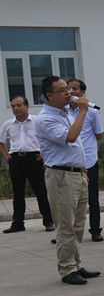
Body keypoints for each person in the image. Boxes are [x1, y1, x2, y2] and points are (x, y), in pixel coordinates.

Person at [35, 75, 101, 285]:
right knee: (66, 226)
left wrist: (83, 170)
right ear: (50, 95)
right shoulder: (46, 119)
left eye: (69, 88)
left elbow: (76, 146)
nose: (69, 93)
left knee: (78, 224)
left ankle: (76, 264)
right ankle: (66, 269)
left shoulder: (65, 113)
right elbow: (70, 137)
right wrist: (82, 111)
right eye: (63, 90)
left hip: (77, 173)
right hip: (61, 176)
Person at [0, 96, 54, 233]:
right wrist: (6, 155)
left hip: (33, 158)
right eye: (13, 106)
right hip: (16, 159)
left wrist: (44, 154)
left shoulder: (37, 121)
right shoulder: (8, 124)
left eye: (19, 105)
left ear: (27, 107)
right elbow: (1, 141)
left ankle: (48, 220)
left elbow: (49, 138)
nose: (15, 108)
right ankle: (18, 223)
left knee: (40, 191)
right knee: (17, 192)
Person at [67, 79, 104, 241]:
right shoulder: (63, 111)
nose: (71, 92)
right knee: (69, 200)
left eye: (75, 89)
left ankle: (95, 230)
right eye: (69, 88)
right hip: (69, 161)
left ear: (82, 92)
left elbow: (98, 135)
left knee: (92, 198)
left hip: (89, 160)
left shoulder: (92, 112)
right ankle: (68, 232)